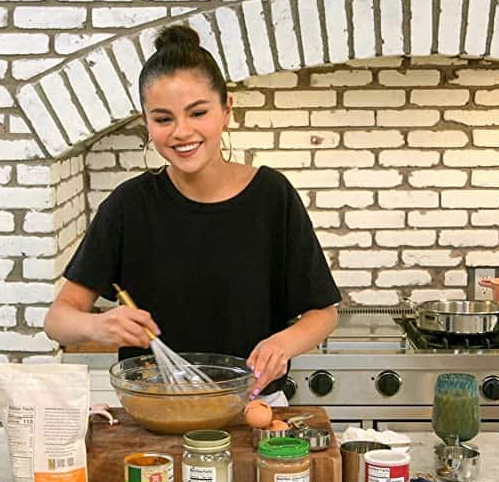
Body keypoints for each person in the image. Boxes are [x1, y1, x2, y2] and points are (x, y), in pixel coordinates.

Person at [44, 24, 340, 405]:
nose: (182, 132)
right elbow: (57, 322)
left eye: (197, 112)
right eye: (163, 119)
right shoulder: (128, 206)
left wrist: (282, 343)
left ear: (226, 109)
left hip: (250, 406)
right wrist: (98, 325)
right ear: (147, 123)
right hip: (154, 412)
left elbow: (324, 313)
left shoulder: (272, 196)